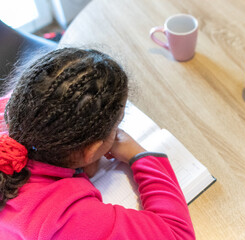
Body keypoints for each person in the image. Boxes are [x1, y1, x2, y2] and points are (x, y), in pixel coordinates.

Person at [0, 48, 195, 239]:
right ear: (91, 150)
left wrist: (79, 167)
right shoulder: (63, 219)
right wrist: (139, 155)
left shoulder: (11, 110)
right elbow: (177, 234)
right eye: (116, 127)